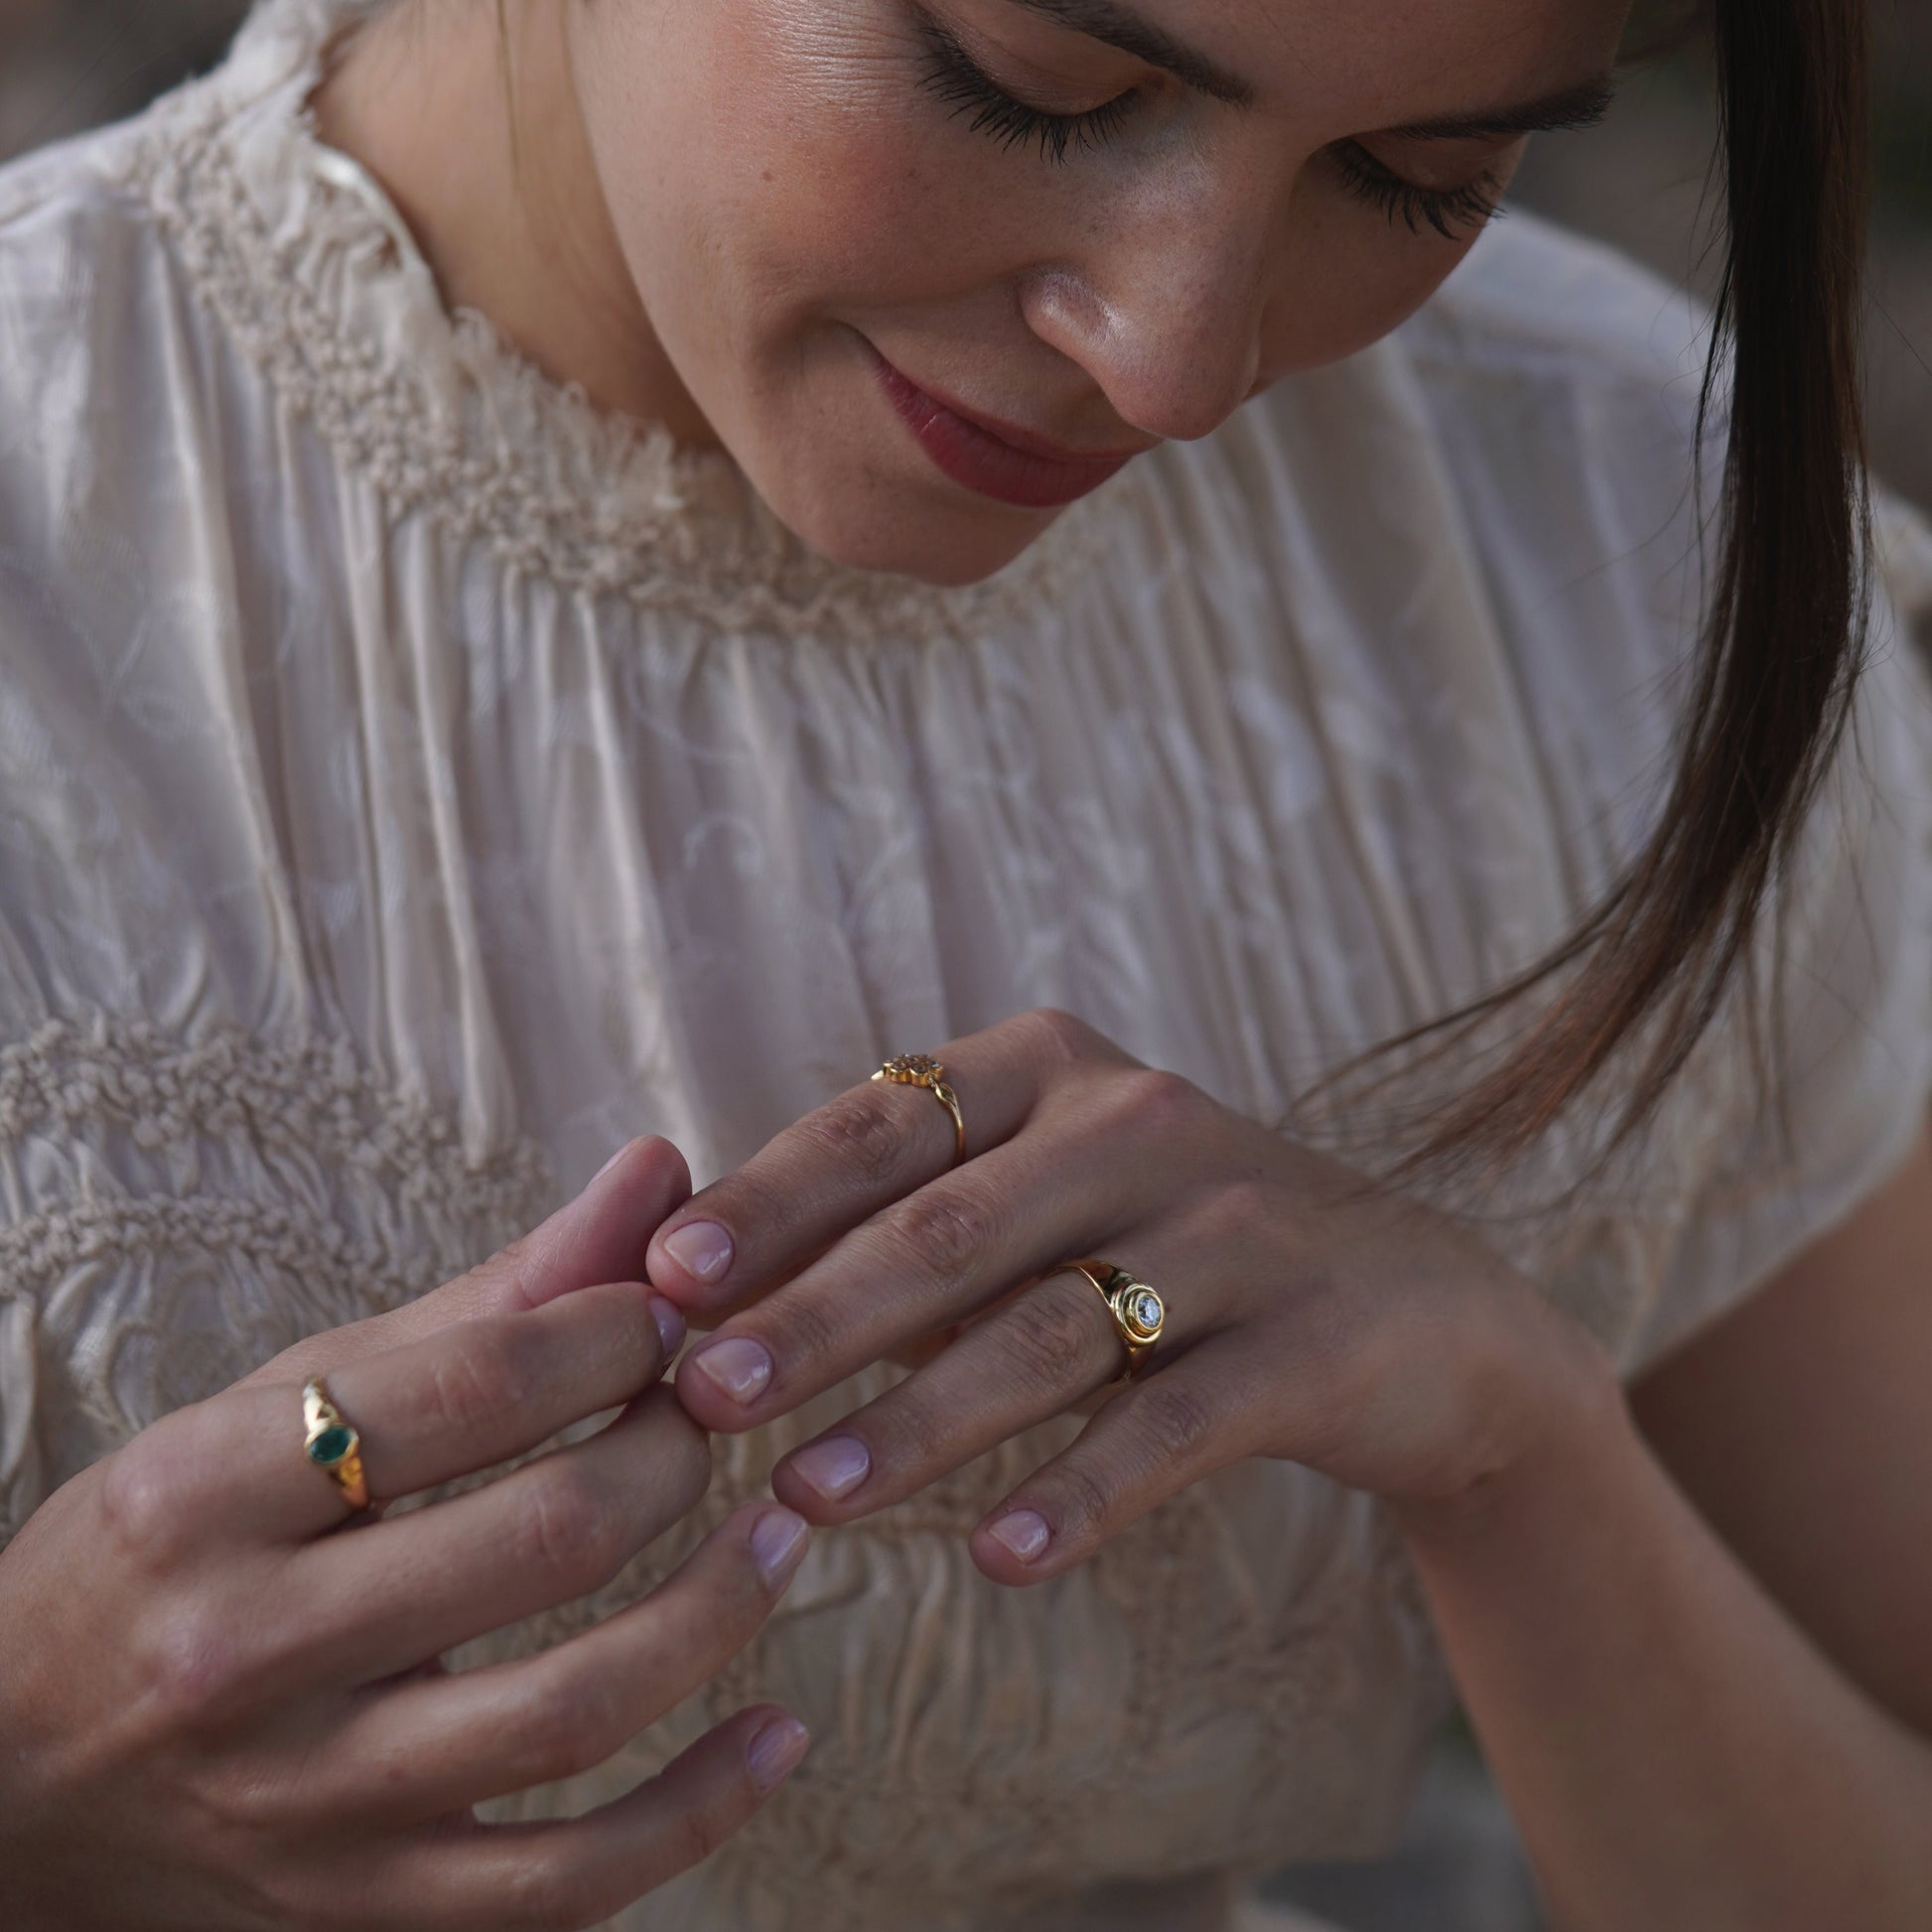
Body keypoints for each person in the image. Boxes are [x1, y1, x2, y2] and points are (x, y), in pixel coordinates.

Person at [0, 0, 1928, 1928]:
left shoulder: (1577, 532)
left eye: (1415, 180)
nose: (1174, 362)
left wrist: (1522, 1456)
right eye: (1034, 87)